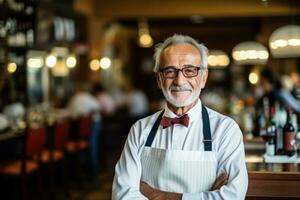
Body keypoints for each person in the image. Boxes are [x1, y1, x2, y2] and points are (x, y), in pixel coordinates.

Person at [112, 34, 248, 199]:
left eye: (190, 70)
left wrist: (159, 196)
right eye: (170, 71)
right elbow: (122, 195)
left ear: (203, 78)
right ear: (159, 79)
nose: (179, 80)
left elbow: (232, 197)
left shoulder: (226, 130)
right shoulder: (140, 129)